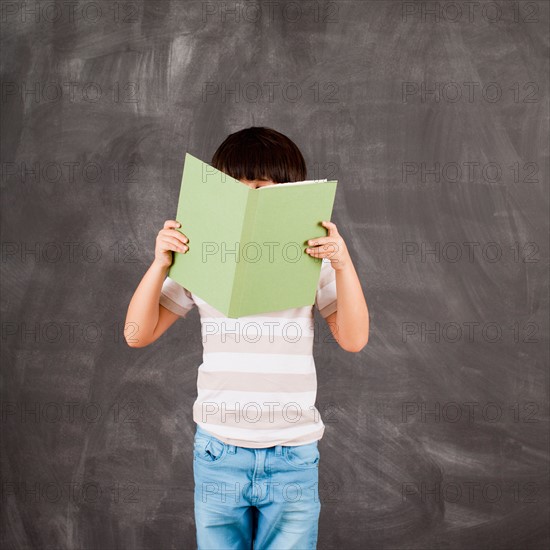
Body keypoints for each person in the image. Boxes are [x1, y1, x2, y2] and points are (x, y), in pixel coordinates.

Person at [124, 126, 369, 549]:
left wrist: (343, 266)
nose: (248, 197)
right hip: (219, 453)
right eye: (235, 187)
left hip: (292, 453)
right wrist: (159, 265)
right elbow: (136, 334)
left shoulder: (314, 259)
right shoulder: (200, 254)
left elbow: (354, 339)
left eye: (260, 186)